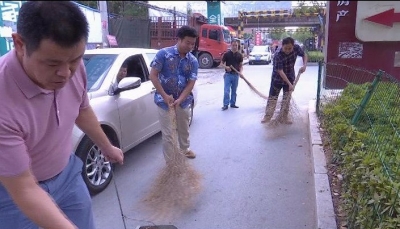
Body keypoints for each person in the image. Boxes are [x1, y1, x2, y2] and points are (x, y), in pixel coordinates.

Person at [0, 2, 124, 229]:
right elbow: (25, 189)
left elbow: (81, 109)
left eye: (75, 60)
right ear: (19, 44)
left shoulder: (71, 66)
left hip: (67, 175)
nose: (66, 74)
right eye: (52, 63)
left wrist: (106, 146)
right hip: (12, 194)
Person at [149, 25, 199, 161]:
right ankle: (171, 164)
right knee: (168, 134)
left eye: (193, 44)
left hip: (183, 101)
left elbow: (191, 82)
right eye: (187, 42)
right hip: (163, 101)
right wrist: (165, 96)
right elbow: (153, 75)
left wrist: (181, 99)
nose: (190, 46)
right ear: (179, 39)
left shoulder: (193, 61)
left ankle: (185, 149)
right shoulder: (163, 54)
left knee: (184, 128)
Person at [261, 37, 308, 124]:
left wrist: (304, 65)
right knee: (272, 98)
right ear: (282, 46)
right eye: (285, 48)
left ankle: (284, 117)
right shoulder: (278, 55)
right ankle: (267, 116)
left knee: (286, 99)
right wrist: (289, 84)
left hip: (290, 76)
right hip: (277, 79)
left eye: (290, 48)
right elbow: (280, 71)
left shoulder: (296, 48)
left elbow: (304, 55)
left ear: (293, 46)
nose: (287, 50)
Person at [221, 39, 243, 111]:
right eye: (233, 45)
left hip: (236, 75)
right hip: (228, 75)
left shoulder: (239, 55)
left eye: (236, 45)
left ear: (238, 46)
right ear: (231, 45)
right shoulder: (227, 54)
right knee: (226, 90)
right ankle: (225, 104)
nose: (234, 47)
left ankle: (233, 104)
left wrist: (241, 72)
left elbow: (241, 66)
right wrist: (226, 67)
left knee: (234, 90)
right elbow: (221, 63)